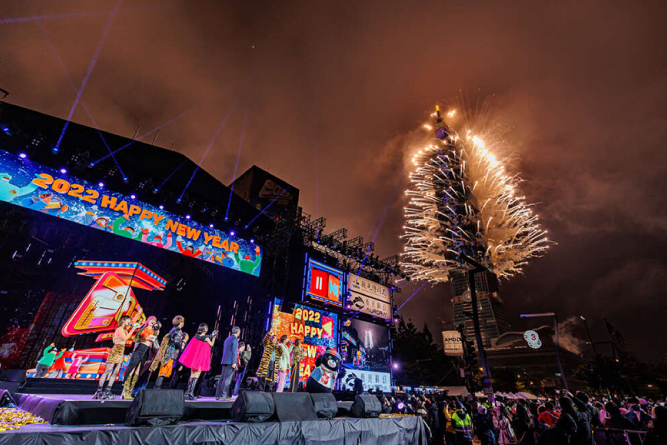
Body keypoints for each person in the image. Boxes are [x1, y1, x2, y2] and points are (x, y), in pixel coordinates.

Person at [94, 316, 138, 400]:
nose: (129, 322)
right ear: (123, 321)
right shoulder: (119, 329)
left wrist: (133, 328)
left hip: (121, 350)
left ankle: (108, 391)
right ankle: (99, 391)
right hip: (116, 349)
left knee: (116, 372)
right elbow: (125, 338)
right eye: (128, 320)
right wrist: (133, 329)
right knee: (108, 370)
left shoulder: (125, 330)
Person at [122, 316, 158, 399]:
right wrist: (146, 338)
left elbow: (155, 339)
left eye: (154, 320)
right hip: (140, 349)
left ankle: (129, 392)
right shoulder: (143, 329)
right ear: (148, 321)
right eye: (151, 320)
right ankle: (125, 392)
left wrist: (156, 330)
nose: (152, 321)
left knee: (138, 372)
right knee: (132, 369)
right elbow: (135, 339)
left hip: (146, 351)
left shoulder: (154, 331)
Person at [179, 323, 217, 400]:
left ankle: (187, 393)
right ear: (205, 329)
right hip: (200, 360)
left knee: (192, 375)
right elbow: (211, 345)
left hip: (194, 359)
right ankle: (191, 393)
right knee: (196, 376)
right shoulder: (206, 338)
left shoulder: (196, 336)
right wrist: (214, 337)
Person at [153, 316, 185, 389]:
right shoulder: (178, 330)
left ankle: (157, 387)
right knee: (164, 371)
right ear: (180, 322)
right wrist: (180, 346)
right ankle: (157, 387)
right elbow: (176, 342)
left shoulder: (173, 329)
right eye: (182, 322)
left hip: (167, 352)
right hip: (170, 353)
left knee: (163, 370)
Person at [215, 326, 240, 401]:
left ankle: (218, 395)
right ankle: (224, 395)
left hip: (225, 360)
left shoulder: (227, 338)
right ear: (238, 332)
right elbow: (234, 351)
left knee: (222, 378)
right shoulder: (235, 339)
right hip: (230, 361)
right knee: (227, 379)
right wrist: (234, 362)